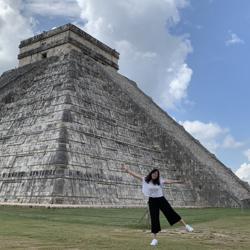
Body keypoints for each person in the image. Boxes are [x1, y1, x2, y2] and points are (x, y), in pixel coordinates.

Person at [121, 164, 194, 246]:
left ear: (157, 176)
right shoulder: (145, 179)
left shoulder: (160, 181)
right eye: (153, 173)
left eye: (156, 174)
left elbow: (169, 181)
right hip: (152, 201)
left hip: (161, 199)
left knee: (171, 213)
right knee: (154, 219)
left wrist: (180, 181)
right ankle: (155, 239)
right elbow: (135, 175)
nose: (154, 175)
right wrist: (127, 170)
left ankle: (186, 226)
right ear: (151, 173)